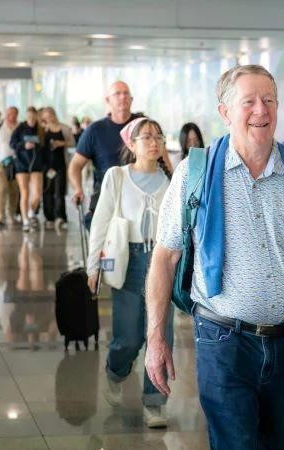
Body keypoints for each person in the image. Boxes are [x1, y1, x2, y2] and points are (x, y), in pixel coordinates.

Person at [145, 65, 284, 449]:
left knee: (280, 442)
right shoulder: (194, 174)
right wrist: (156, 338)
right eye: (249, 101)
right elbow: (165, 257)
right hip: (222, 341)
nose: (261, 111)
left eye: (269, 100)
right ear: (225, 111)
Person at [86, 117, 174, 428]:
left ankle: (155, 402)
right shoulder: (117, 176)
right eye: (146, 136)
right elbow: (100, 221)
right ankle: (115, 370)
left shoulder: (171, 180)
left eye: (158, 136)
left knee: (161, 335)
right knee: (128, 336)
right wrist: (93, 266)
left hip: (162, 262)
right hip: (127, 259)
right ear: (131, 143)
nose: (154, 141)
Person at [68, 81, 143, 227]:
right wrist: (78, 188)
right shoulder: (95, 130)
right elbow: (75, 165)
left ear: (132, 99)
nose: (123, 97)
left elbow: (162, 159)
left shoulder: (143, 126)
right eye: (117, 94)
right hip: (105, 200)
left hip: (139, 199)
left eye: (126, 93)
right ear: (108, 100)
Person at [10, 107, 46, 232]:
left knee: (37, 193)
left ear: (36, 116)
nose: (31, 119)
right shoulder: (20, 128)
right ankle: (25, 220)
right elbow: (12, 143)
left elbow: (44, 146)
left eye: (33, 116)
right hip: (22, 165)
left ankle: (31, 211)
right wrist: (23, 145)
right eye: (28, 116)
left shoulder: (41, 129)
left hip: (36, 165)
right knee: (24, 193)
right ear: (26, 116)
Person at [40, 107, 76, 229]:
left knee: (59, 191)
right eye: (46, 116)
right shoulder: (43, 130)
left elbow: (73, 142)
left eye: (50, 115)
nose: (49, 118)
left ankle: (60, 216)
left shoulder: (64, 128)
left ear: (54, 115)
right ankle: (49, 216)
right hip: (46, 165)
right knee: (47, 191)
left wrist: (61, 143)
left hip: (60, 164)